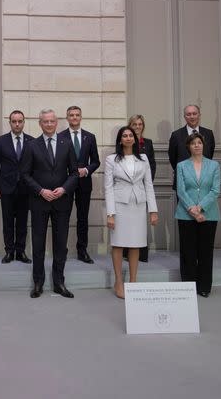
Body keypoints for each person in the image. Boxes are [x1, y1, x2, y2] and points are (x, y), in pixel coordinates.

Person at [20, 109, 78, 299]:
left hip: (62, 201)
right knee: (38, 243)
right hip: (39, 201)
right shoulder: (31, 145)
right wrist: (40, 190)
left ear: (57, 122)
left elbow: (74, 173)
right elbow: (25, 174)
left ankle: (59, 282)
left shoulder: (67, 144)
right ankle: (38, 282)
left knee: (60, 244)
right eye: (45, 121)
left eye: (52, 121)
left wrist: (64, 189)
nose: (49, 124)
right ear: (40, 123)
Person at [104, 126, 159, 299]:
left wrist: (153, 210)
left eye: (130, 135)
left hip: (138, 206)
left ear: (135, 139)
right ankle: (119, 281)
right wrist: (110, 213)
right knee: (119, 243)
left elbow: (148, 185)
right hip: (120, 206)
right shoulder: (112, 159)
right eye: (124, 136)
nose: (128, 138)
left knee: (136, 244)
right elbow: (108, 188)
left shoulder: (143, 158)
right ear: (120, 140)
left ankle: (133, 282)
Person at [175, 132, 221, 297]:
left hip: (209, 214)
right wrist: (192, 210)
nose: (196, 145)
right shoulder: (181, 166)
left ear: (203, 145)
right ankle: (188, 288)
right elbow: (181, 190)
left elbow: (215, 190)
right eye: (193, 143)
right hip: (185, 214)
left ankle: (204, 287)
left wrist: (200, 208)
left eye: (199, 143)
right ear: (188, 146)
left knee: (205, 252)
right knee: (188, 252)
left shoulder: (214, 165)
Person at [58, 106, 100, 264]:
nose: (74, 118)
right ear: (67, 118)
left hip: (84, 183)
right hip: (65, 183)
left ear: (81, 117)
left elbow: (96, 161)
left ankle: (82, 251)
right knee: (63, 218)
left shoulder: (90, 137)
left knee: (82, 218)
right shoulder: (60, 136)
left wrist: (87, 170)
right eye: (71, 115)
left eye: (77, 115)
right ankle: (62, 250)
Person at [0, 110, 33, 264]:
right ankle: (9, 251)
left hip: (25, 188)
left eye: (20, 121)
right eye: (14, 121)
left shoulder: (31, 141)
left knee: (22, 221)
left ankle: (20, 251)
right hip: (6, 188)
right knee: (8, 221)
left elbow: (34, 167)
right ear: (9, 123)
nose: (17, 124)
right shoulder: (1, 141)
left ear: (23, 122)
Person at [123, 114, 156, 263]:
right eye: (134, 124)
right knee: (127, 222)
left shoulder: (147, 143)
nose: (137, 127)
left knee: (141, 223)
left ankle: (142, 254)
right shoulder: (125, 141)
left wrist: (144, 185)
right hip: (127, 190)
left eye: (140, 124)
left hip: (141, 189)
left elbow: (152, 166)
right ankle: (126, 253)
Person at [168, 104, 216, 191]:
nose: (192, 116)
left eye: (194, 113)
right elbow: (173, 158)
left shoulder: (208, 134)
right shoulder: (176, 135)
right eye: (188, 114)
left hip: (205, 181)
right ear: (184, 117)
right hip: (183, 182)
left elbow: (209, 154)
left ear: (199, 115)